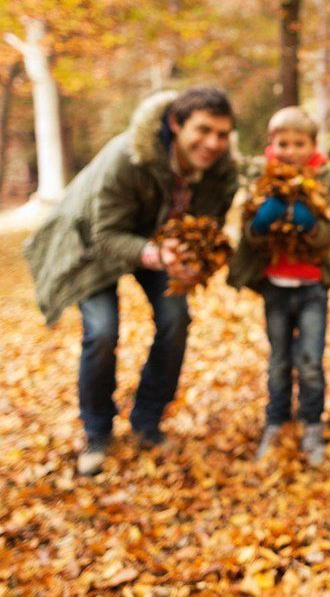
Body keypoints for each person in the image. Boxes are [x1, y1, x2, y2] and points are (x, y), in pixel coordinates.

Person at [25, 87, 238, 476]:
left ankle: (146, 421)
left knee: (175, 320)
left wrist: (195, 261)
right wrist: (157, 254)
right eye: (203, 130)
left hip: (159, 243)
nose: (212, 143)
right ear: (175, 124)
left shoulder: (222, 169)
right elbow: (105, 234)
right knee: (102, 331)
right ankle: (97, 431)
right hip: (91, 244)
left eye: (222, 134)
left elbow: (209, 228)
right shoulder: (128, 157)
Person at [227, 107, 330, 464]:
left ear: (312, 145)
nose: (290, 150)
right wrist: (261, 222)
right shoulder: (261, 180)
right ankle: (276, 423)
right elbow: (249, 236)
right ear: (271, 144)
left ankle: (312, 426)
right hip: (275, 288)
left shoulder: (324, 181)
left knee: (311, 362)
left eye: (299, 143)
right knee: (280, 361)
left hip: (312, 287)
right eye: (282, 143)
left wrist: (310, 225)